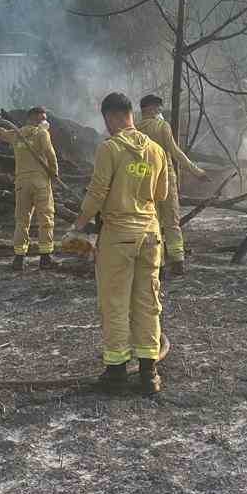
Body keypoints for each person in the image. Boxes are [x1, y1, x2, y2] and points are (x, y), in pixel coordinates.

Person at [70, 91, 169, 398]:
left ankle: (115, 373)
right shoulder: (156, 150)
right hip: (151, 236)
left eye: (107, 121)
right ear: (131, 114)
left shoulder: (109, 149)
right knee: (148, 302)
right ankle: (148, 374)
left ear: (111, 117)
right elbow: (162, 194)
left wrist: (78, 226)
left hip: (119, 236)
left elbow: (97, 193)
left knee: (115, 302)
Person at [138, 93, 209, 277]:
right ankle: (177, 261)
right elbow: (176, 152)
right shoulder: (162, 126)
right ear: (152, 109)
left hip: (145, 180)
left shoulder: (136, 130)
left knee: (153, 222)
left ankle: (158, 264)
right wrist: (197, 171)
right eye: (159, 108)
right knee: (172, 222)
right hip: (166, 179)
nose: (161, 112)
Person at [0, 107, 60, 271]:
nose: (45, 121)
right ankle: (45, 258)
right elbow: (50, 154)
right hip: (40, 182)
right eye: (43, 118)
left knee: (22, 220)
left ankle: (19, 259)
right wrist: (54, 173)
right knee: (45, 219)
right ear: (34, 118)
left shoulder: (17, 134)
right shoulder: (42, 134)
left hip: (21, 183)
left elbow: (2, 133)